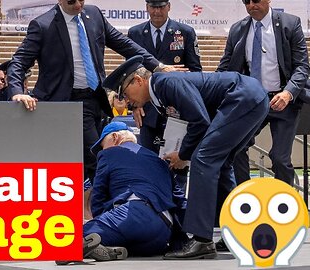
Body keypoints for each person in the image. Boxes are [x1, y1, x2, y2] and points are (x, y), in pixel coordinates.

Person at [103, 55, 269, 259]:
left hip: (242, 97)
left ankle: (202, 240)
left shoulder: (166, 83)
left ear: (138, 80)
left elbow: (199, 121)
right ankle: (237, 231)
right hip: (249, 97)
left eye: (125, 94)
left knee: (203, 159)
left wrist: (183, 155)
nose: (127, 101)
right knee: (221, 164)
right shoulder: (159, 95)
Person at [6, 0, 175, 194]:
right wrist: (17, 91)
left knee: (93, 158)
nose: (78, 5)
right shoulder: (43, 25)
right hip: (67, 103)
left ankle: (93, 205)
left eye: (81, 0)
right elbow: (18, 61)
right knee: (99, 158)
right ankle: (108, 206)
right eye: (71, 2)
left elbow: (124, 44)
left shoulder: (93, 14)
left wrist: (157, 66)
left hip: (97, 99)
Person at [216, 0, 309, 187]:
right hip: (252, 101)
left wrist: (288, 93)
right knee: (237, 148)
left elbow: (302, 66)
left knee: (280, 158)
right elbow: (225, 68)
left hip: (283, 100)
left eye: (256, 0)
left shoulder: (290, 24)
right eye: (246, 1)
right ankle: (245, 197)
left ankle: (283, 202)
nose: (251, 5)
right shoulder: (237, 29)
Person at [83, 121, 186, 260]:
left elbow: (98, 196)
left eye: (103, 146)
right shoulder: (159, 160)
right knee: (124, 238)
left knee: (70, 237)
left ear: (115, 137)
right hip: (163, 230)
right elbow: (180, 201)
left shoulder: (109, 154)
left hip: (134, 215)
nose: (102, 151)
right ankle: (110, 248)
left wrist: (99, 222)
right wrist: (182, 240)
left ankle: (80, 245)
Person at [128, 0, 201, 153]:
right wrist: (134, 106)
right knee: (149, 161)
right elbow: (130, 75)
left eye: (161, 7)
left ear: (169, 6)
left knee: (176, 162)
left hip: (177, 108)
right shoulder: (135, 33)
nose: (157, 12)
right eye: (153, 7)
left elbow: (195, 71)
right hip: (147, 111)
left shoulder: (185, 32)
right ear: (147, 7)